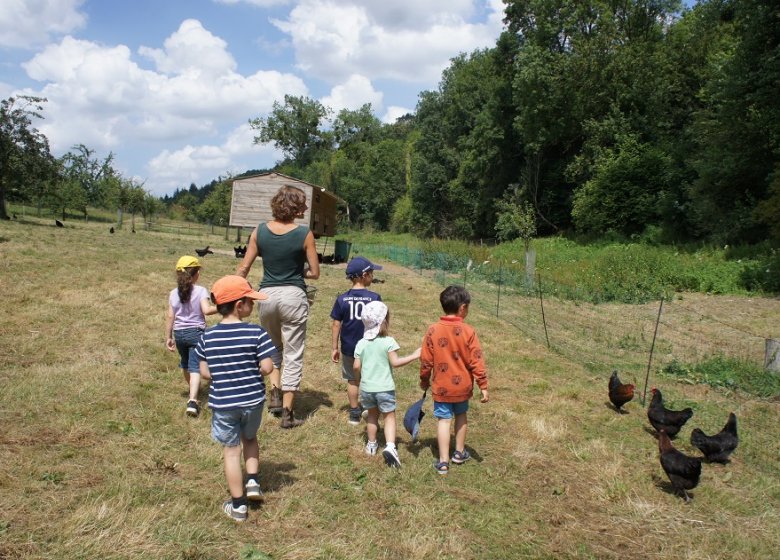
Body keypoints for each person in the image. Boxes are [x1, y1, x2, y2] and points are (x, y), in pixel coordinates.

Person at [236, 185, 320, 428]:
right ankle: (287, 413)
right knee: (293, 352)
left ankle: (274, 392)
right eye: (303, 204)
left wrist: (233, 291)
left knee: (273, 346)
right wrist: (298, 270)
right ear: (294, 207)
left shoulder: (259, 231)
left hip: (266, 296)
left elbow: (243, 268)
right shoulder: (305, 234)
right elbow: (314, 273)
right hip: (294, 296)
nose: (305, 208)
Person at [195, 275, 276, 522]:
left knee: (231, 451)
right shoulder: (257, 333)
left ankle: (238, 505)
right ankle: (252, 482)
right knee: (250, 438)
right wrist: (252, 369)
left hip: (224, 403)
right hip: (252, 401)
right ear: (239, 305)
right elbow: (268, 367)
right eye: (250, 301)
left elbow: (204, 372)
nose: (253, 305)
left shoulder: (207, 337)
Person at [419, 285, 488, 475]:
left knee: (443, 420)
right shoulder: (469, 331)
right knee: (461, 416)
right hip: (463, 388)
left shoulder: (433, 330)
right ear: (463, 308)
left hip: (441, 387)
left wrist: (424, 380)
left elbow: (426, 360)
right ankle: (458, 453)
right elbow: (477, 359)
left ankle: (442, 462)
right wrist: (483, 384)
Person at [354, 301, 421, 468]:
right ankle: (390, 446)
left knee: (371, 416)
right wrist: (414, 355)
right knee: (389, 417)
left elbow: (356, 366)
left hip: (367, 389)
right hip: (384, 389)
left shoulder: (361, 343)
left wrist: (358, 379)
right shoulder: (388, 341)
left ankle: (371, 445)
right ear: (384, 321)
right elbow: (396, 362)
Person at [330, 256, 383, 425]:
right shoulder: (375, 298)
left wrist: (334, 347)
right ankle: (369, 409)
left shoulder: (342, 299)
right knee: (370, 377)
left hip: (348, 347)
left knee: (352, 379)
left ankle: (354, 412)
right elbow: (381, 323)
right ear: (364, 275)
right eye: (371, 273)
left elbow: (336, 325)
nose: (373, 276)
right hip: (370, 347)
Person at [164, 255, 217, 417]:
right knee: (195, 367)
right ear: (196, 274)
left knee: (185, 364)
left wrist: (168, 337)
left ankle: (193, 388)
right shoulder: (200, 291)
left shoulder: (173, 293)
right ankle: (193, 400)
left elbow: (170, 316)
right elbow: (207, 311)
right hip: (196, 333)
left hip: (179, 334)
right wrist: (223, 306)